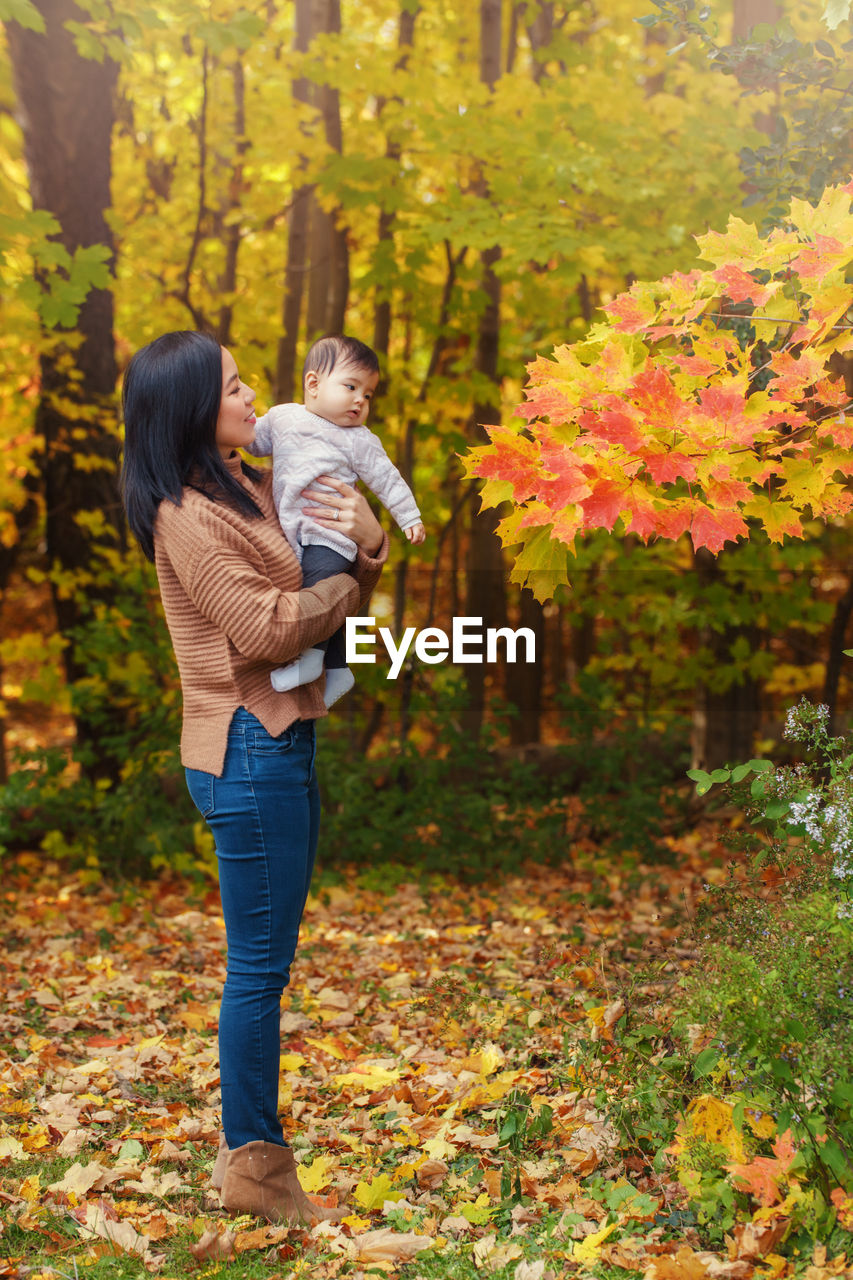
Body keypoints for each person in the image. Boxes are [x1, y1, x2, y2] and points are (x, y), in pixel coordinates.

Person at [120, 330, 388, 1223]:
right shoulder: (183, 517)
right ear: (193, 407)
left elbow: (327, 592)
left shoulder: (247, 487)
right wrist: (352, 571)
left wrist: (366, 549)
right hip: (246, 748)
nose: (252, 396)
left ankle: (255, 1160)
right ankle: (257, 1172)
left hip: (279, 740)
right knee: (258, 973)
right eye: (233, 386)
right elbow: (271, 630)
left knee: (264, 968)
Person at [251, 335, 424, 706]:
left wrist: (409, 516)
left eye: (368, 394)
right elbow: (251, 440)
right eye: (351, 386)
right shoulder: (283, 417)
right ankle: (340, 669)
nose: (360, 400)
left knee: (318, 592)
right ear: (313, 384)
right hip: (293, 531)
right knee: (332, 605)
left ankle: (310, 660)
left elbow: (387, 479)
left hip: (331, 535)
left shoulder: (358, 440)